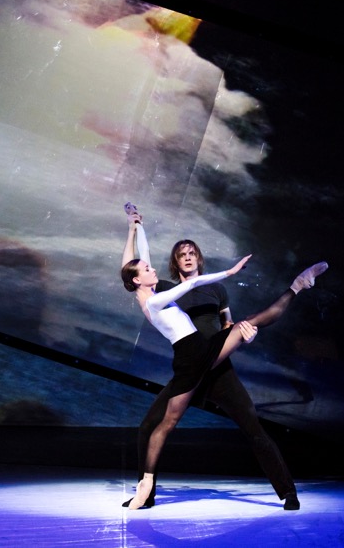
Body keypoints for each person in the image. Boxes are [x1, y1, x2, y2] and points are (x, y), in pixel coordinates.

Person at [119, 203, 328, 511]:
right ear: (175, 262)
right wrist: (133, 227)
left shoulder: (217, 291)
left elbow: (228, 325)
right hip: (189, 366)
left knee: (253, 429)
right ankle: (145, 493)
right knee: (150, 425)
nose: (188, 257)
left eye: (192, 253)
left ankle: (288, 492)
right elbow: (133, 267)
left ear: (198, 258)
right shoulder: (162, 289)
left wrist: (244, 333)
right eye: (182, 254)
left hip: (217, 363)